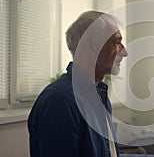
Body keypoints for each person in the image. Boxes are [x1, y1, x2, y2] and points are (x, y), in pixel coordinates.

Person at [28, 11, 128, 157]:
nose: (124, 52)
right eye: (117, 42)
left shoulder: (99, 93)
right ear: (91, 45)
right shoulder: (61, 101)